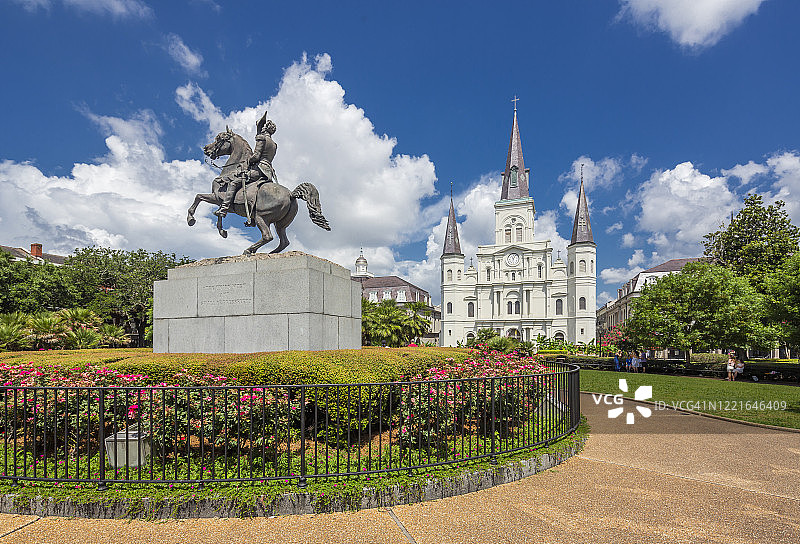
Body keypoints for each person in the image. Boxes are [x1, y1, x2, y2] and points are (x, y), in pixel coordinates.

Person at [215, 113, 278, 220]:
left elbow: (256, 156)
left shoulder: (261, 138)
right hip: (268, 172)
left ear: (264, 128)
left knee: (234, 182)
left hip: (258, 169)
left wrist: (247, 161)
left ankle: (224, 208)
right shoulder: (274, 144)